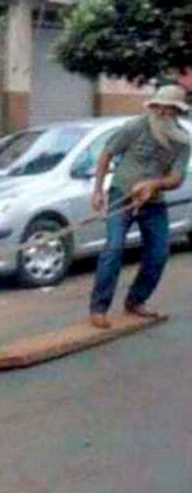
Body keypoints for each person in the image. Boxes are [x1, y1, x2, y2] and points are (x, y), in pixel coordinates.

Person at [89, 84, 190, 329]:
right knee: (113, 250)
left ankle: (136, 300)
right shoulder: (135, 127)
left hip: (153, 203)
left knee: (159, 253)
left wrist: (152, 185)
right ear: (153, 106)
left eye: (170, 109)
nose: (163, 112)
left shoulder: (182, 142)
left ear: (177, 111)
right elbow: (107, 153)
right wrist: (98, 190)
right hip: (121, 196)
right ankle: (99, 308)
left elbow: (176, 179)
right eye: (159, 107)